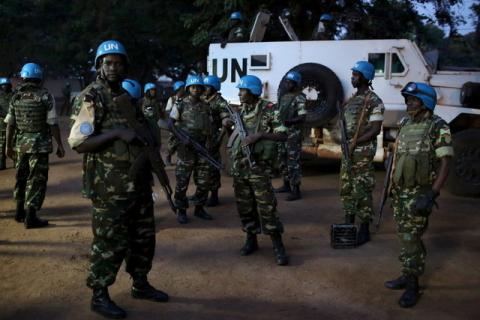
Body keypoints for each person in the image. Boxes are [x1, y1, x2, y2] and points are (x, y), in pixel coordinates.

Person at [68, 40, 168, 319]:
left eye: (118, 63)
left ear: (125, 66)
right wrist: (116, 134)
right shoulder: (91, 97)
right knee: (109, 242)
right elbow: (79, 143)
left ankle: (140, 283)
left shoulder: (126, 97)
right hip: (109, 188)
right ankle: (99, 295)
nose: (113, 67)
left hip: (137, 184)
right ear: (100, 65)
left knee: (143, 238)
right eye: (108, 62)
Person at [384, 82, 452, 308]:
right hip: (401, 191)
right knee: (404, 235)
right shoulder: (405, 123)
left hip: (419, 193)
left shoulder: (438, 126)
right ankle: (407, 274)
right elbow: (398, 156)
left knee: (411, 238)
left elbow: (445, 162)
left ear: (425, 102)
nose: (408, 103)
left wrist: (432, 194)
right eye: (407, 100)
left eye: (413, 100)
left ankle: (412, 284)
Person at [228, 75, 289, 266]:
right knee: (245, 206)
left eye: (243, 90)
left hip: (259, 168)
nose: (240, 93)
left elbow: (283, 134)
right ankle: (250, 239)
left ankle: (278, 245)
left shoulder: (269, 110)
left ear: (253, 91)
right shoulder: (239, 112)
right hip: (240, 168)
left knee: (267, 207)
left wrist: (260, 135)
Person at [4, 63, 65, 227]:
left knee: (21, 176)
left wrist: (8, 146)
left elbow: (10, 123)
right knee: (36, 179)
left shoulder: (16, 96)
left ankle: (19, 211)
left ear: (23, 77)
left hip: (20, 145)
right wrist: (60, 145)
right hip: (39, 146)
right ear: (40, 78)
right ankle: (31, 217)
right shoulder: (46, 96)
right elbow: (52, 123)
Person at [339, 61, 384, 245]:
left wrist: (355, 142)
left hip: (362, 151)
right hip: (348, 150)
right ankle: (349, 223)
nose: (353, 78)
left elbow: (375, 129)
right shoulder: (352, 100)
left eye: (356, 75)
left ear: (365, 77)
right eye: (353, 74)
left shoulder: (374, 101)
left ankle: (364, 228)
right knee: (347, 187)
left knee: (362, 188)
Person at [168, 75, 213, 224]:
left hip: (202, 149)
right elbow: (170, 124)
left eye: (199, 87)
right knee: (182, 181)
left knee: (204, 181)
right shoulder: (180, 104)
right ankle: (181, 210)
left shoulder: (206, 105)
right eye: (193, 87)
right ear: (188, 89)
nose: (196, 90)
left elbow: (209, 126)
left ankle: (199, 208)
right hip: (185, 149)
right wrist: (183, 139)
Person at [274, 71, 307, 201]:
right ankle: (286, 185)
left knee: (293, 162)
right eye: (286, 82)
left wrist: (290, 122)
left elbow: (302, 117)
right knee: (282, 159)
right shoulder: (284, 97)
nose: (287, 84)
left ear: (296, 83)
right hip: (282, 133)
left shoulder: (300, 97)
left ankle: (296, 190)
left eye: (290, 82)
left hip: (293, 134)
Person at [202, 75, 230, 207]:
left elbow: (225, 123)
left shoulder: (220, 102)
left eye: (208, 87)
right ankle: (200, 193)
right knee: (200, 167)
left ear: (214, 88)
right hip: (201, 138)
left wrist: (218, 139)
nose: (205, 89)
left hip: (213, 139)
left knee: (213, 167)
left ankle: (214, 196)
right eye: (205, 86)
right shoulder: (202, 99)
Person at [165, 80, 186, 166]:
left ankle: (180, 159)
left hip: (183, 125)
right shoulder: (172, 99)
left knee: (182, 142)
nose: (183, 91)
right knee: (171, 143)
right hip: (174, 124)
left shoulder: (185, 99)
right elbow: (167, 111)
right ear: (177, 89)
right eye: (181, 89)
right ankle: (168, 156)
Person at [0, 77, 13, 170]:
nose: (5, 86)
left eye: (7, 85)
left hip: (13, 123)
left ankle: (16, 162)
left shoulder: (15, 95)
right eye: (3, 85)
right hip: (1, 124)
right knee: (1, 145)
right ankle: (1, 163)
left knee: (14, 143)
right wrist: (7, 116)